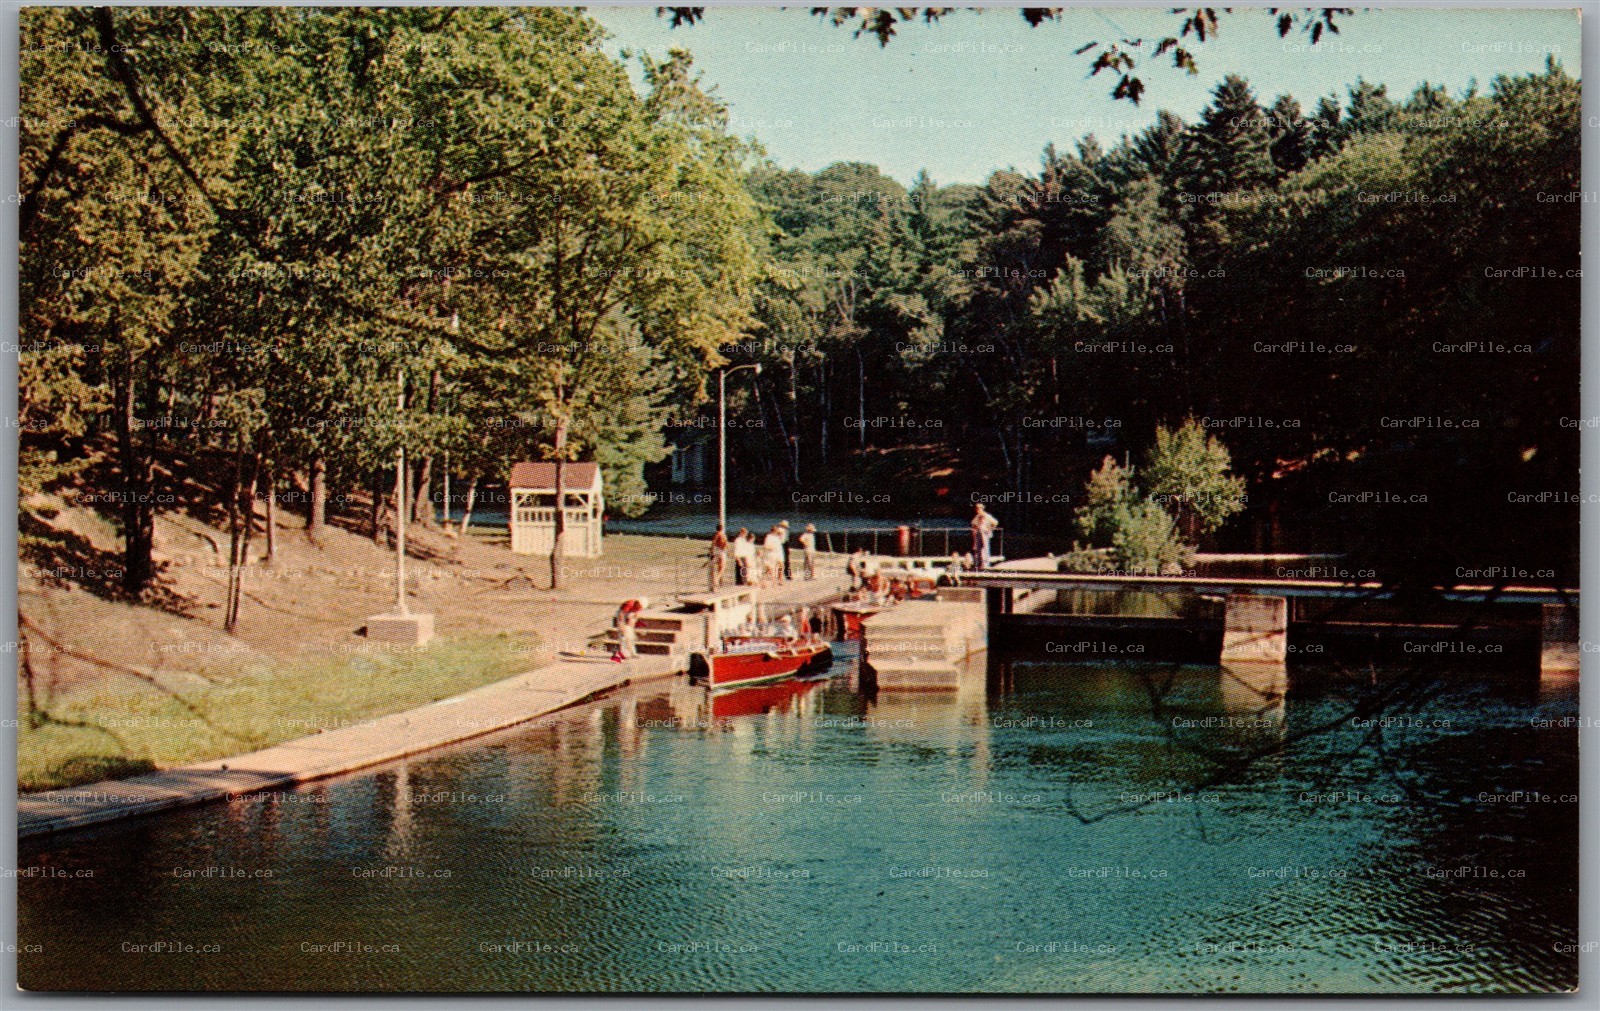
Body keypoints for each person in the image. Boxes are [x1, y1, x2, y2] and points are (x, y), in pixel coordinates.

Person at [612, 597, 646, 662]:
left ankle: (633, 653)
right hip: (621, 615)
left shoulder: (639, 607)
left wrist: (632, 624)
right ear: (638, 603)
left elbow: (635, 615)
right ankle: (624, 654)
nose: (639, 608)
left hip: (629, 614)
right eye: (639, 606)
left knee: (631, 637)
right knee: (623, 637)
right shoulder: (630, 603)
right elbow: (621, 615)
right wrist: (622, 626)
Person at [971, 503, 999, 570]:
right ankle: (978, 564)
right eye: (977, 508)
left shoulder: (987, 516)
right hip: (978, 533)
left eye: (979, 508)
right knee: (977, 549)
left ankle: (986, 564)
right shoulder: (977, 517)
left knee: (985, 548)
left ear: (982, 509)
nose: (978, 510)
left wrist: (990, 529)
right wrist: (974, 529)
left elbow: (995, 522)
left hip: (985, 533)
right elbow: (973, 523)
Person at [709, 524, 729, 590]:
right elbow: (725, 544)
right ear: (722, 528)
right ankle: (717, 579)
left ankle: (716, 583)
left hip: (716, 550)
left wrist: (711, 551)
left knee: (718, 566)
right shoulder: (723, 535)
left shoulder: (715, 534)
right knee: (722, 566)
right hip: (721, 551)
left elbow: (713, 543)